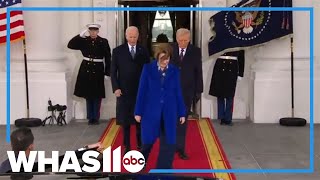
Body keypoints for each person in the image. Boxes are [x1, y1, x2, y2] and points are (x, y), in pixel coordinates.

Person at [134, 44, 186, 169]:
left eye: (167, 59)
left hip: (169, 112)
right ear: (157, 57)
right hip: (150, 112)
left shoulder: (174, 70)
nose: (165, 62)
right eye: (162, 59)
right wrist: (138, 112)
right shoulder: (147, 69)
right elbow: (142, 91)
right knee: (147, 142)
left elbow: (178, 92)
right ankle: (141, 162)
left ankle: (163, 169)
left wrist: (182, 112)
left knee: (168, 142)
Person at [110, 26, 150, 153]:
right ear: (126, 36)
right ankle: (126, 144)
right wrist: (116, 88)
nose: (132, 39)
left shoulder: (143, 50)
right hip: (124, 91)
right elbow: (112, 71)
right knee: (125, 120)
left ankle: (140, 142)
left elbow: (148, 71)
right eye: (130, 37)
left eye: (135, 37)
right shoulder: (117, 51)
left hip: (140, 90)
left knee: (140, 119)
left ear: (138, 36)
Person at [0, 127, 103, 174]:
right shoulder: (28, 168)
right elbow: (62, 159)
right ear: (31, 146)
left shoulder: (4, 166)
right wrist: (87, 149)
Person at [67, 23, 111, 125]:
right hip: (86, 67)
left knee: (97, 94)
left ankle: (95, 117)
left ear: (98, 31)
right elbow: (70, 45)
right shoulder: (84, 41)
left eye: (95, 30)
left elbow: (108, 58)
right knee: (88, 94)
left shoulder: (103, 41)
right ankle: (90, 116)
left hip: (98, 68)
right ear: (88, 31)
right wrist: (79, 36)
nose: (93, 32)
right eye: (91, 30)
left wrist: (107, 72)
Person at [170, 28, 203, 160]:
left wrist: (198, 91)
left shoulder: (195, 51)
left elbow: (198, 71)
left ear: (189, 39)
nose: (183, 43)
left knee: (182, 121)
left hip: (187, 92)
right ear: (176, 39)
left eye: (185, 41)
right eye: (180, 40)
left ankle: (181, 148)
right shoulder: (170, 49)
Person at [209, 50, 245, 126]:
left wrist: (240, 73)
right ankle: (222, 117)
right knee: (220, 94)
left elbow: (241, 58)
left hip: (232, 67)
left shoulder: (238, 40)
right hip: (220, 66)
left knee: (230, 95)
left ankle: (228, 118)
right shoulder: (220, 38)